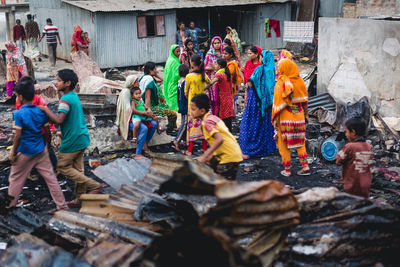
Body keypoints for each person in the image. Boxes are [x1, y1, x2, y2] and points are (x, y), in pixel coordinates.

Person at [38, 69, 103, 207]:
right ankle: (79, 200)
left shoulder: (65, 100)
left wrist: (45, 109)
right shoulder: (73, 95)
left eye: (59, 80)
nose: (56, 82)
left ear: (67, 83)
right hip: (82, 137)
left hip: (72, 139)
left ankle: (94, 185)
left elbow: (59, 120)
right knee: (78, 170)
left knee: (62, 166)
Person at [7, 78, 68, 212]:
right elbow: (47, 132)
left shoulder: (18, 114)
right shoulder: (41, 112)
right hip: (40, 150)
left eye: (17, 96)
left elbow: (18, 136)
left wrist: (13, 153)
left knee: (15, 179)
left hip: (25, 151)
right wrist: (47, 145)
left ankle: (9, 206)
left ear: (21, 97)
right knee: (51, 179)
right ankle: (62, 206)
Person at [272, 58, 310, 177]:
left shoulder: (281, 83)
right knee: (300, 142)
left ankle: (287, 170)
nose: (278, 69)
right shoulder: (300, 81)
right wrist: (306, 115)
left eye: (279, 67)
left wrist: (274, 120)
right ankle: (305, 166)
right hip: (299, 116)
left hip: (285, 117)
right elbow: (305, 102)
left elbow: (277, 105)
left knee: (283, 144)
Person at [192, 94, 243, 180]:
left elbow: (219, 140)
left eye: (193, 109)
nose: (191, 112)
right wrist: (210, 157)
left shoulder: (206, 123)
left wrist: (205, 156)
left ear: (202, 111)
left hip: (228, 158)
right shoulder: (213, 118)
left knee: (222, 186)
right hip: (233, 154)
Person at [239, 50, 276, 159]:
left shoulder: (260, 69)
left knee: (251, 123)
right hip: (267, 103)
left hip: (255, 101)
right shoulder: (271, 71)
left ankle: (250, 150)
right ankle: (266, 148)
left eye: (261, 56)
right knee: (264, 125)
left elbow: (250, 83)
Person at [336, 117, 373, 198]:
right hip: (366, 184)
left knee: (351, 204)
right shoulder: (368, 146)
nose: (345, 134)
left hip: (352, 184)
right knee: (363, 204)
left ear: (353, 132)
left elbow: (338, 161)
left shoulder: (350, 146)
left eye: (346, 131)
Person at [185, 54, 210, 155]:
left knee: (192, 126)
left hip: (193, 105)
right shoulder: (203, 75)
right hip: (203, 103)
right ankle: (204, 148)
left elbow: (185, 92)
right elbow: (210, 83)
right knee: (203, 126)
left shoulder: (189, 76)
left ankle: (190, 150)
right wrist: (204, 90)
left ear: (192, 63)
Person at [206, 58, 234, 132]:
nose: (215, 65)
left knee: (221, 119)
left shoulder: (219, 75)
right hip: (229, 99)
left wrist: (204, 88)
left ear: (219, 66)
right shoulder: (228, 75)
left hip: (222, 100)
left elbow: (212, 83)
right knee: (228, 120)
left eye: (216, 64)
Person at [172, 64, 190, 152]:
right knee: (185, 123)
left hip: (181, 104)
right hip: (186, 105)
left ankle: (184, 140)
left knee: (184, 122)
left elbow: (178, 95)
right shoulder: (186, 81)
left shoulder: (179, 81)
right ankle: (177, 140)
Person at [116, 75, 139, 141]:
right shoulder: (126, 92)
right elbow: (127, 108)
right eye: (137, 82)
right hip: (128, 117)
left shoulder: (131, 91)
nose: (138, 83)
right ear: (132, 83)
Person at [204, 36, 223, 115]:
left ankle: (222, 113)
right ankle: (215, 113)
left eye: (218, 43)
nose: (217, 45)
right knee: (214, 97)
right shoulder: (209, 54)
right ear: (212, 44)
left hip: (222, 76)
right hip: (213, 77)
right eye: (215, 43)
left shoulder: (224, 53)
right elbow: (205, 66)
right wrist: (212, 68)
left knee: (222, 96)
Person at [163, 44, 181, 112]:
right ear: (173, 52)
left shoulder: (170, 60)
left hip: (169, 84)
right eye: (177, 51)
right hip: (174, 85)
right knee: (175, 103)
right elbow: (177, 75)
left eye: (179, 51)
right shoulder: (174, 61)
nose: (179, 53)